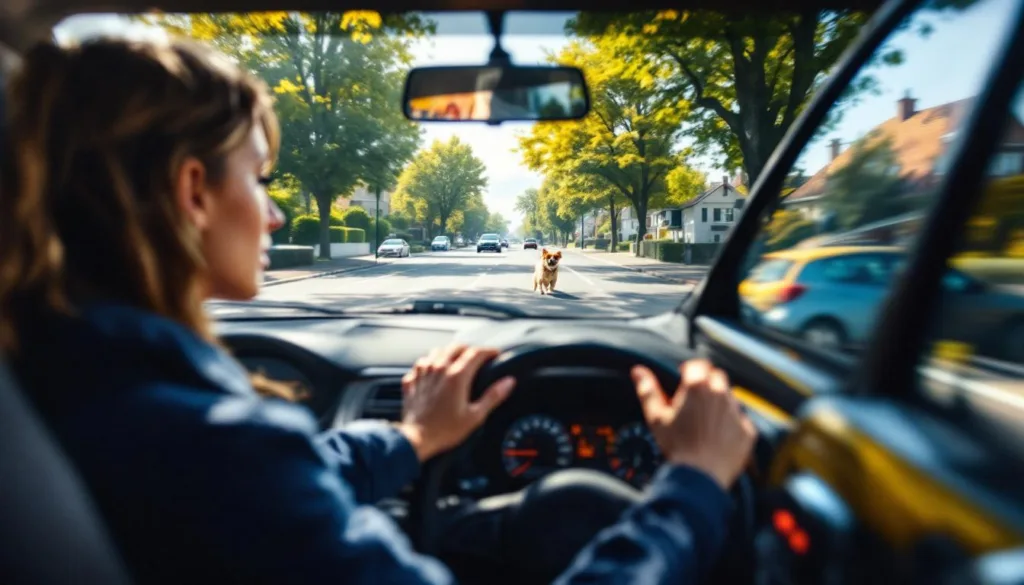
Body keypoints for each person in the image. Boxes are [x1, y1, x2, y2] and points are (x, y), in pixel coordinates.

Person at [0, 36, 758, 585]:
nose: (276, 217)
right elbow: (261, 474)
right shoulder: (219, 442)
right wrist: (690, 485)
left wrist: (414, 438)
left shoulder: (63, 368)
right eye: (260, 180)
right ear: (193, 191)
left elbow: (284, 477)